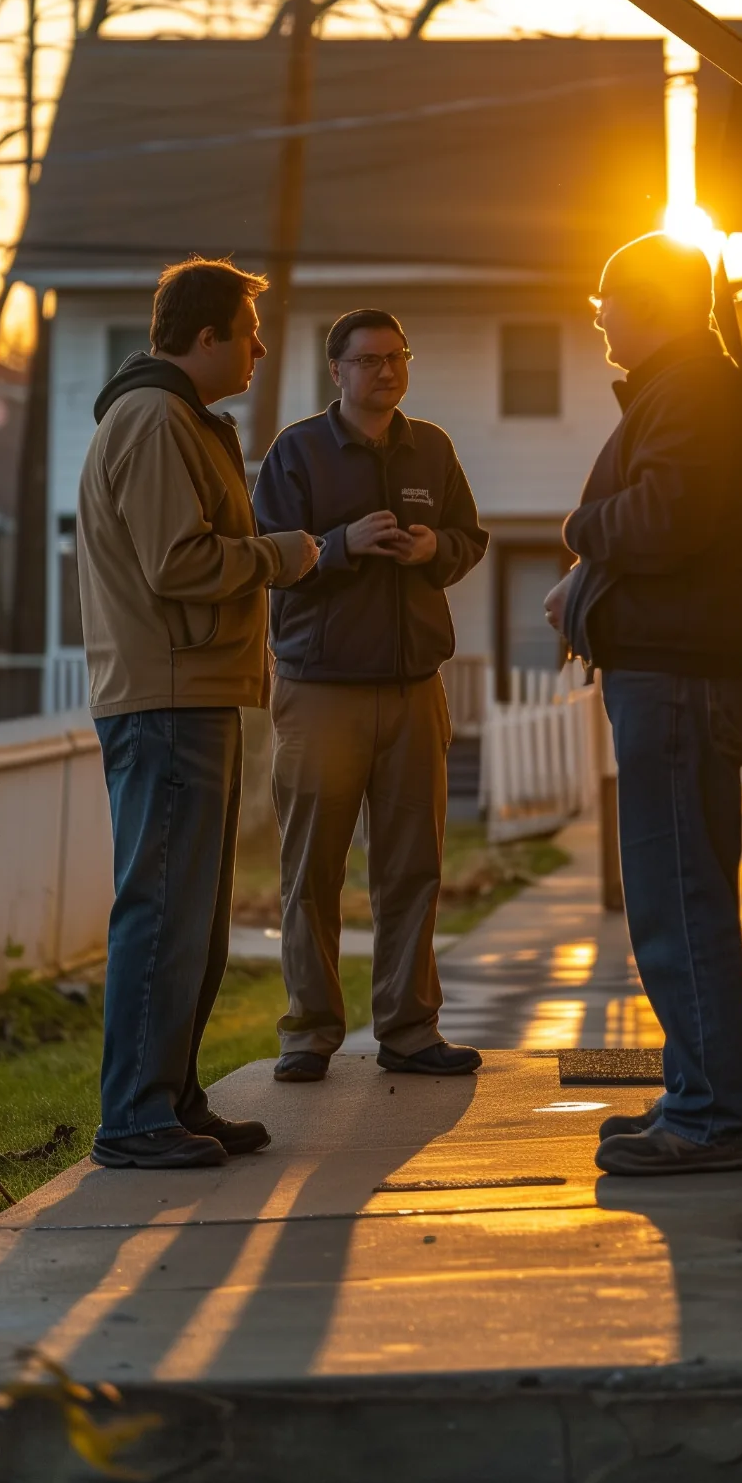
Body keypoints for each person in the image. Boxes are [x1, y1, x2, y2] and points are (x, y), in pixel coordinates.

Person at [77, 257, 318, 1170]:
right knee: (164, 910)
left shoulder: (175, 420)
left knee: (196, 918)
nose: (260, 347)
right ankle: (135, 1118)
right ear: (205, 336)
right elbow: (177, 564)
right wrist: (282, 554)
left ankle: (171, 1097)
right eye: (247, 332)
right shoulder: (151, 421)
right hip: (164, 697)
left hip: (191, 693)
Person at [547, 232, 742, 1176]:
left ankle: (710, 1117)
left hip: (678, 682)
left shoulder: (690, 392)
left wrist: (578, 531)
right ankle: (696, 1094)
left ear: (650, 302)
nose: (597, 312)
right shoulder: (687, 388)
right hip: (677, 674)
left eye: (606, 296)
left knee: (677, 899)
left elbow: (660, 519)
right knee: (676, 896)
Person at [254, 308, 488, 1082]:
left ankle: (410, 1029)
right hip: (319, 691)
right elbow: (267, 559)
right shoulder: (298, 453)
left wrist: (435, 550)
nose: (385, 371)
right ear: (337, 371)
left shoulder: (433, 448)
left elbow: (468, 539)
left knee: (411, 865)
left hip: (415, 687)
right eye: (368, 360)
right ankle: (309, 1031)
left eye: (396, 357)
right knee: (312, 869)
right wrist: (340, 547)